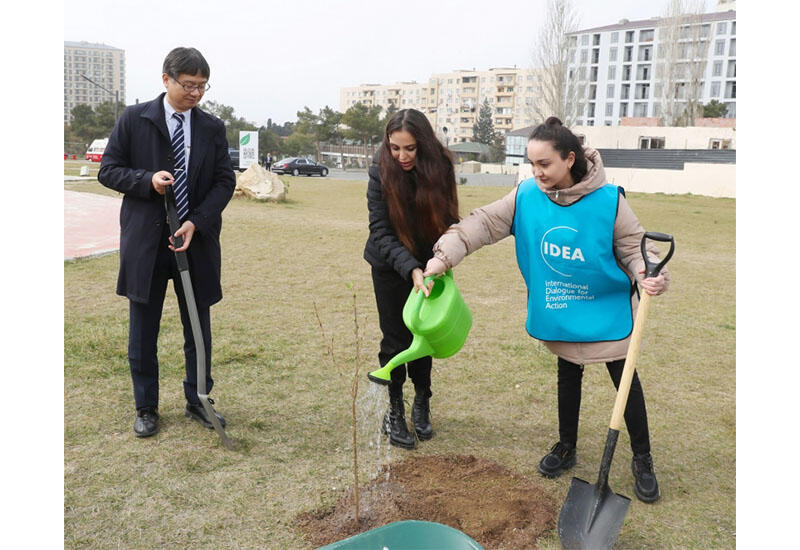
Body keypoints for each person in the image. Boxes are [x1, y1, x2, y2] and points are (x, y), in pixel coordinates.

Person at [424, 117, 670, 502]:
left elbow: (634, 246)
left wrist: (648, 272)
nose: (536, 172)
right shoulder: (525, 195)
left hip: (607, 310)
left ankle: (643, 459)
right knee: (567, 376)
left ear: (569, 159)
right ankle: (566, 447)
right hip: (561, 308)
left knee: (626, 383)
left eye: (545, 164)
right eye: (532, 164)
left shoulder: (609, 200)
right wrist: (443, 258)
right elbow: (482, 224)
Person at [98, 47, 236, 439]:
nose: (195, 93)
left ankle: (200, 399)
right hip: (147, 242)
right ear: (166, 80)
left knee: (198, 325)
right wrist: (147, 181)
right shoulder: (134, 119)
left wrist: (196, 221)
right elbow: (108, 171)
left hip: (195, 240)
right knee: (143, 327)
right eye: (188, 85)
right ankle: (146, 406)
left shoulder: (211, 127)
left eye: (201, 87)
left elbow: (225, 181)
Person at [364, 108, 460, 449]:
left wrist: (438, 261)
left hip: (431, 264)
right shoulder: (380, 170)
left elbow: (450, 220)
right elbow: (380, 230)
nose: (401, 156)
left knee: (425, 334)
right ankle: (394, 408)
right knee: (396, 339)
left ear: (424, 145)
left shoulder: (442, 167)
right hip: (390, 265)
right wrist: (410, 268)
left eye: (410, 148)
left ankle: (422, 400)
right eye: (395, 148)